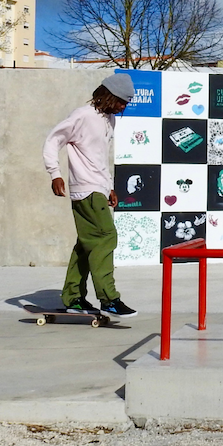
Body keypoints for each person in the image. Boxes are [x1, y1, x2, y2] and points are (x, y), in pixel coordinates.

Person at [43, 73, 139, 317]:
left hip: (98, 187)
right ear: (108, 96)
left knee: (86, 244)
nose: (123, 107)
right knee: (107, 236)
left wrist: (109, 187)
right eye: (120, 101)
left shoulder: (108, 120)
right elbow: (54, 140)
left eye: (126, 103)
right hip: (86, 188)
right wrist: (55, 173)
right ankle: (108, 298)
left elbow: (99, 158)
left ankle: (73, 297)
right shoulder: (83, 115)